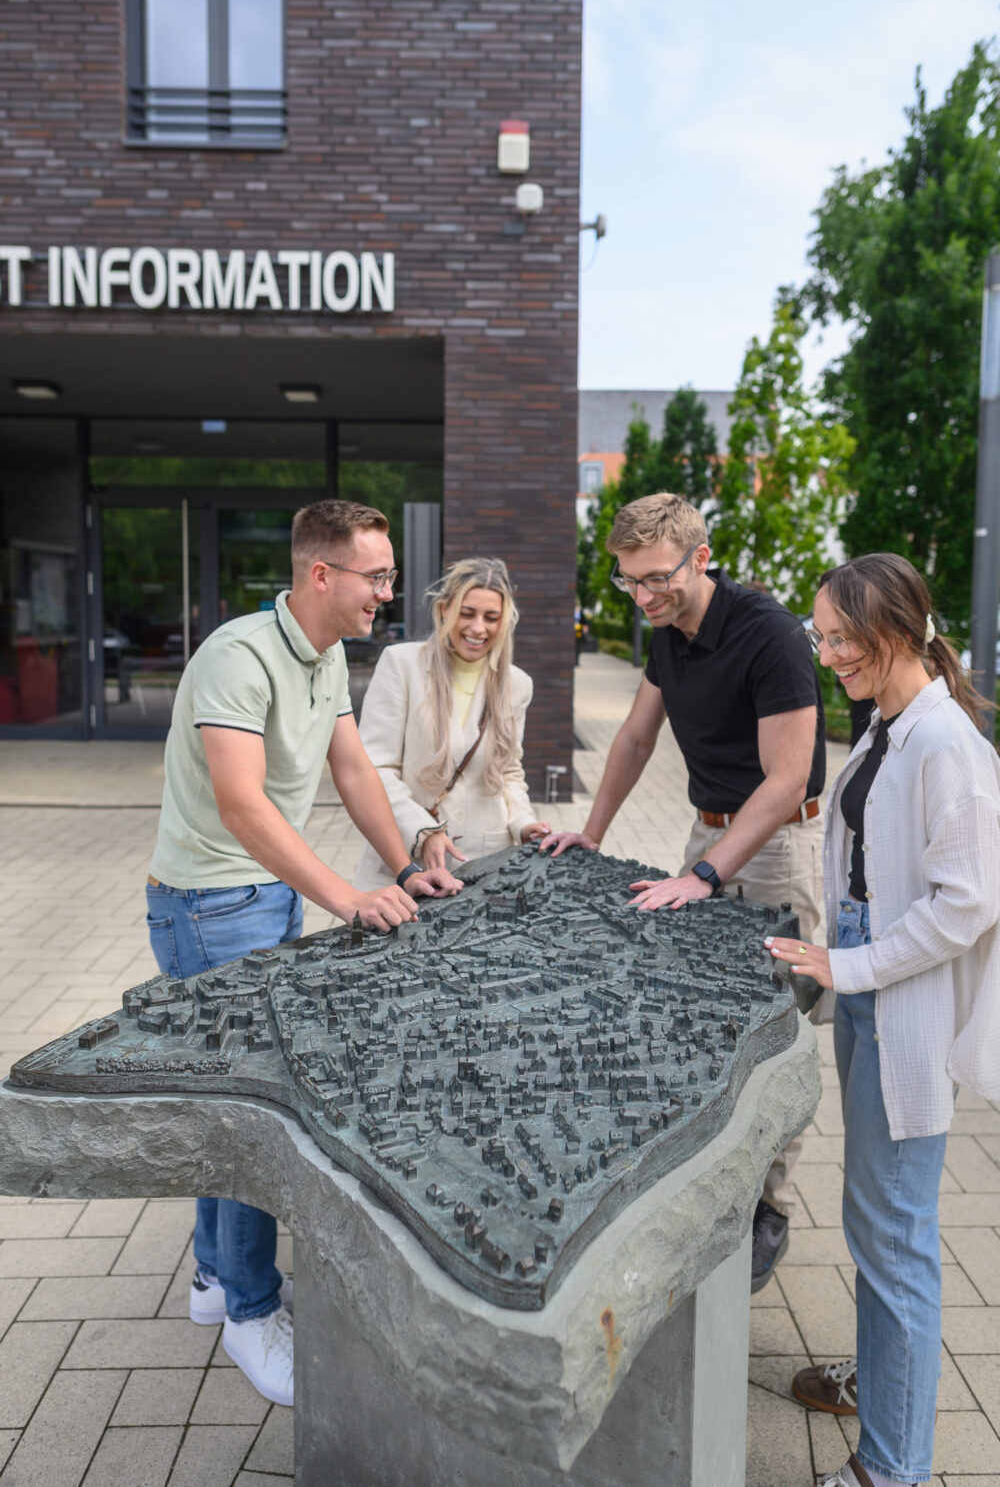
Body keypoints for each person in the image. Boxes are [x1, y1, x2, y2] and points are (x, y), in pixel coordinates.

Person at [145, 500, 461, 1409]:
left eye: (389, 575)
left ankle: (213, 1277)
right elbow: (243, 805)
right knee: (257, 1109)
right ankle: (249, 1308)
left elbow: (354, 771)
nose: (389, 593)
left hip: (265, 893)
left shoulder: (325, 657)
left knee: (230, 1096)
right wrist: (350, 895)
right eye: (377, 576)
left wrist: (406, 861)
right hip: (210, 905)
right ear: (322, 575)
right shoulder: (236, 659)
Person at [541, 492, 825, 1290]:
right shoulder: (668, 634)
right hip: (708, 831)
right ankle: (706, 1176)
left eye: (657, 579)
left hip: (776, 844)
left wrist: (705, 875)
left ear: (702, 557)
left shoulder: (768, 634)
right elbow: (635, 737)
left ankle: (771, 1205)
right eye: (630, 583)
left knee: (778, 1027)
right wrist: (592, 831)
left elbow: (787, 779)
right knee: (700, 1017)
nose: (644, 597)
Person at [767, 553, 1000, 1487]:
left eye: (838, 637)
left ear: (895, 634)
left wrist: (849, 960)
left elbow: (967, 903)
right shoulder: (892, 723)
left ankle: (893, 1468)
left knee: (894, 1234)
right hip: (870, 990)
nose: (826, 655)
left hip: (898, 997)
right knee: (871, 1216)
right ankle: (880, 1384)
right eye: (820, 637)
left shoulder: (949, 746)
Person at [352, 557, 549, 888]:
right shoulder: (402, 665)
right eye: (467, 613)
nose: (477, 628)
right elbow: (375, 769)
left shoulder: (517, 684)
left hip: (485, 867)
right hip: (405, 864)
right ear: (445, 609)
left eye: (491, 618)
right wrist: (424, 832)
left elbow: (509, 772)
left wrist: (525, 824)